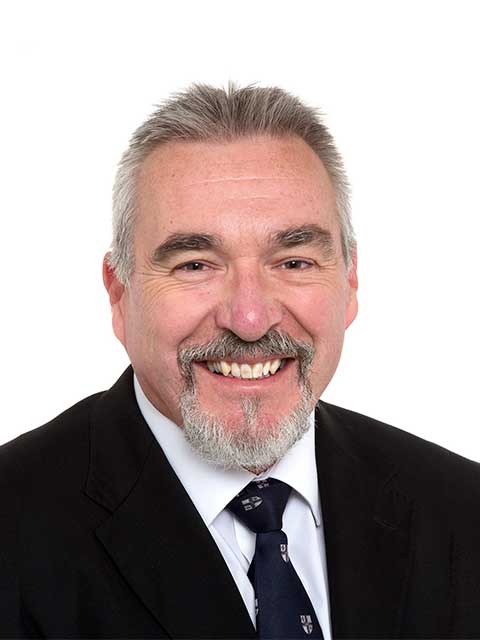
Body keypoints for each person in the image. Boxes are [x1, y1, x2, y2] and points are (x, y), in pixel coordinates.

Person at [1, 83, 479, 639]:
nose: (249, 319)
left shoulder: (463, 515)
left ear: (349, 283)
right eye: (195, 265)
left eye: (294, 261)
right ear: (120, 293)